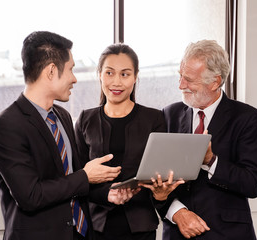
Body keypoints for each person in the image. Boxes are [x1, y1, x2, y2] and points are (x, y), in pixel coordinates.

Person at [0, 31, 125, 240]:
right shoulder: (5, 127)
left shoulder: (62, 115)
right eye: (70, 69)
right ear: (51, 71)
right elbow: (30, 196)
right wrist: (86, 176)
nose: (74, 78)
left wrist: (107, 194)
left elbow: (74, 178)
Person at [74, 43, 182, 240]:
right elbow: (76, 178)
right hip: (96, 228)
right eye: (109, 73)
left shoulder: (155, 119)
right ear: (99, 74)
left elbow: (160, 174)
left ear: (135, 76)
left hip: (141, 228)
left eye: (124, 74)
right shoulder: (85, 120)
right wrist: (106, 194)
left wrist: (161, 190)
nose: (116, 82)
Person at [159, 40, 257, 240]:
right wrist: (177, 213)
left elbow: (253, 183)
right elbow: (154, 178)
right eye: (180, 76)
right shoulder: (168, 114)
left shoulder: (246, 118)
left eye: (189, 79)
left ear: (215, 82)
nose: (181, 85)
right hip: (177, 233)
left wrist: (210, 160)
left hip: (227, 234)